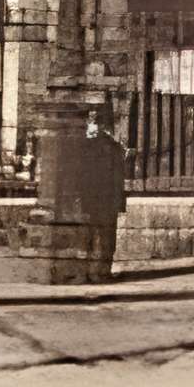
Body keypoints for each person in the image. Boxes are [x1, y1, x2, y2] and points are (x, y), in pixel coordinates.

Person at [71, 103, 125, 279]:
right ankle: (95, 272)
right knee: (94, 235)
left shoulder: (111, 147)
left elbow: (117, 178)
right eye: (90, 120)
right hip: (93, 199)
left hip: (102, 199)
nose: (92, 124)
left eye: (95, 120)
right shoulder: (81, 146)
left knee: (103, 236)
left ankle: (99, 272)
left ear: (102, 125)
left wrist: (118, 202)